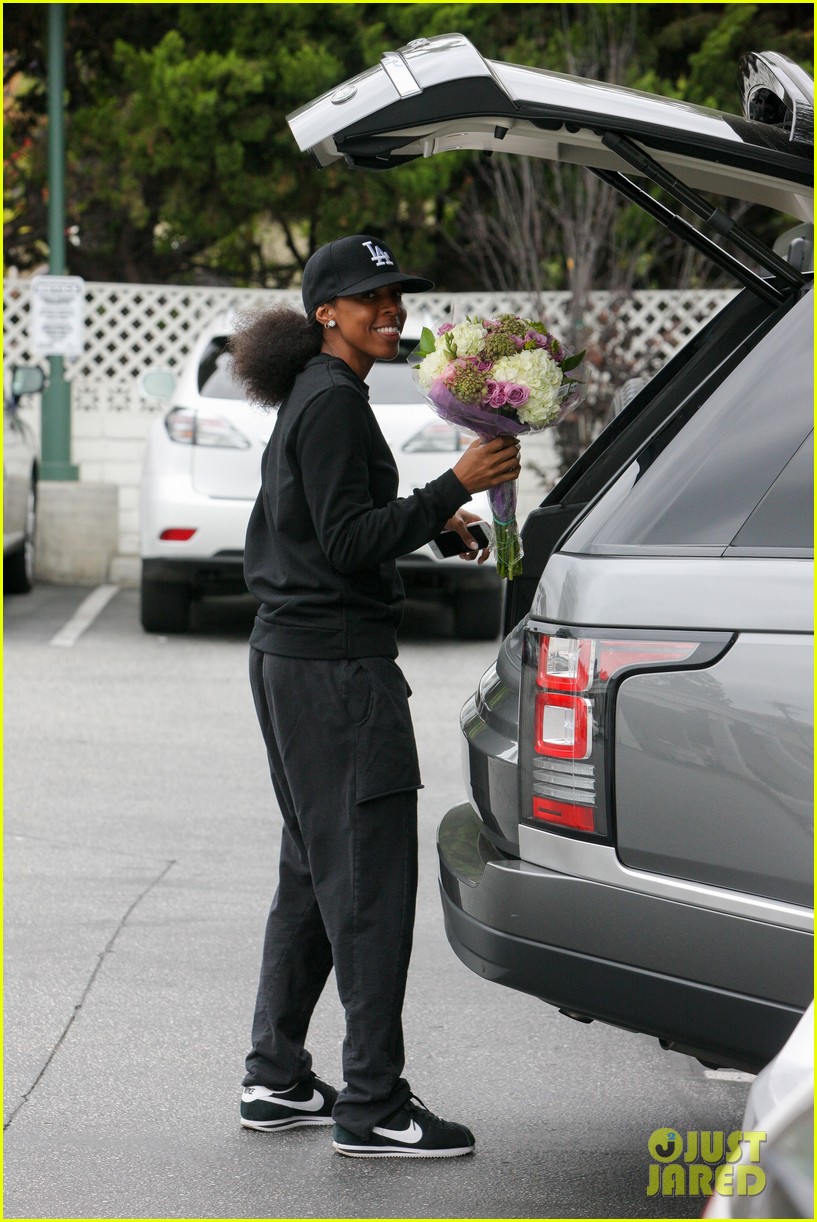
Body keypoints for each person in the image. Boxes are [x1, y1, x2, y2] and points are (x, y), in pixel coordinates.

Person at [229, 234, 520, 1159]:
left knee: (315, 876)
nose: (390, 309)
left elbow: (330, 531)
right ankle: (372, 1105)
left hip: (297, 658)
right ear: (327, 314)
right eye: (370, 298)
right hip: (337, 671)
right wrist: (451, 485)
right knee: (368, 885)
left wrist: (442, 521)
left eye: (395, 295)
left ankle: (276, 1079)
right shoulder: (329, 404)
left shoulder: (327, 397)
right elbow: (350, 542)